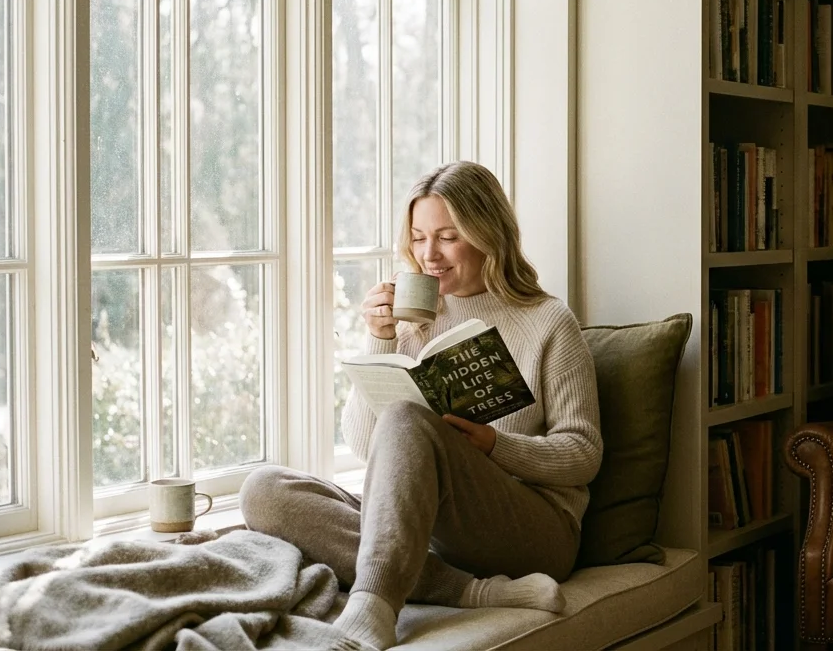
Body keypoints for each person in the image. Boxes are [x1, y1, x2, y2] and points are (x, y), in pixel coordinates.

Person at [239, 161, 602, 651]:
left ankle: (374, 602)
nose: (429, 255)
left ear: (487, 234)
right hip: (428, 527)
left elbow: (583, 453)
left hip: (535, 530)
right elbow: (368, 445)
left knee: (411, 418)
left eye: (448, 237)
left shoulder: (547, 321)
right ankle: (469, 591)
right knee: (265, 490)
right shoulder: (414, 318)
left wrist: (494, 444)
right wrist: (382, 339)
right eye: (417, 237)